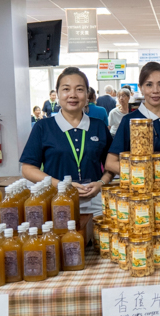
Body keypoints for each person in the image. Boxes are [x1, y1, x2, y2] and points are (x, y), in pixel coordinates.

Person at [20, 67, 114, 243]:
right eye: (66, 89)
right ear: (57, 93)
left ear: (87, 95)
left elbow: (111, 165)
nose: (73, 95)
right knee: (66, 252)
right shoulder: (43, 127)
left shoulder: (98, 126)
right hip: (58, 202)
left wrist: (102, 183)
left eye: (79, 89)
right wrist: (61, 185)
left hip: (95, 202)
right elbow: (27, 168)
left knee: (100, 249)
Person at [105, 62, 160, 181]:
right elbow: (111, 163)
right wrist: (149, 175)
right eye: (149, 85)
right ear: (141, 88)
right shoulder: (130, 121)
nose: (155, 90)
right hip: (142, 194)